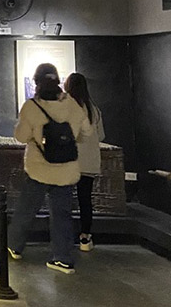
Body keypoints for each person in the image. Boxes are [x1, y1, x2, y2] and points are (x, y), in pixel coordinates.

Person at [8, 63, 93, 274]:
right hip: (65, 170)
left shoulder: (31, 107)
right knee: (63, 215)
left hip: (39, 168)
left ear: (36, 83)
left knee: (26, 210)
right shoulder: (72, 105)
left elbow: (21, 137)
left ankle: (14, 246)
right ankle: (62, 258)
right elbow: (87, 132)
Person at [64, 72, 105, 252]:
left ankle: (62, 236)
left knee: (64, 199)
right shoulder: (93, 109)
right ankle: (85, 238)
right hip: (89, 162)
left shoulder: (67, 108)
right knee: (85, 200)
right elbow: (101, 135)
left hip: (70, 162)